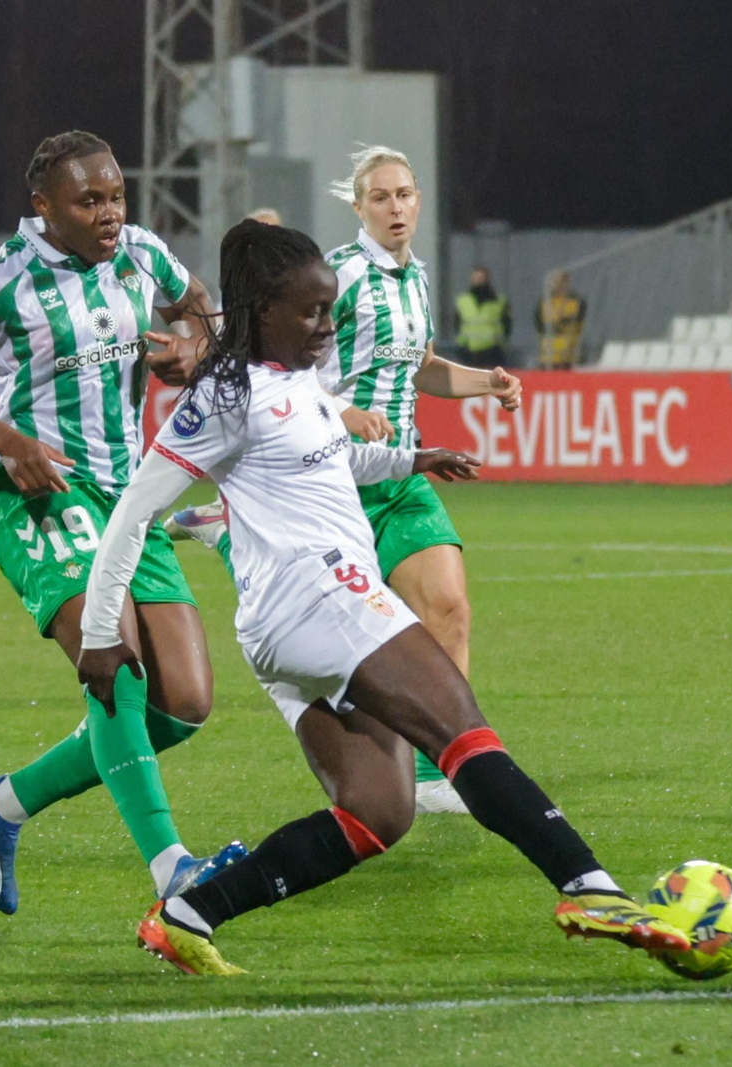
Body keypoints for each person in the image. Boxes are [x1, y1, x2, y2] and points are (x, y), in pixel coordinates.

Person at [75, 219, 690, 975]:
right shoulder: (227, 397)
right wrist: (100, 631)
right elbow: (132, 513)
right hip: (321, 597)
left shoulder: (296, 380)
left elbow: (332, 456)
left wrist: (410, 458)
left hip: (285, 625)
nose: (327, 326)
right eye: (311, 312)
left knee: (378, 811)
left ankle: (188, 914)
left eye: (330, 309)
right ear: (263, 309)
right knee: (461, 725)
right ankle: (588, 886)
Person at [0, 130, 244, 914]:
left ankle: (4, 802)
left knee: (185, 702)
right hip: (43, 493)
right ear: (44, 207)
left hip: (131, 496)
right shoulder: (1, 282)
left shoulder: (142, 254)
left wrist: (191, 346)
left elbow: (201, 309)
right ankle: (173, 869)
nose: (109, 212)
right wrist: (8, 441)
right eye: (89, 201)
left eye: (116, 196)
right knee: (113, 660)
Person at [168, 146, 521, 815]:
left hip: (402, 472)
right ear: (359, 208)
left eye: (404, 194)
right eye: (380, 197)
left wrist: (488, 383)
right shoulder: (342, 276)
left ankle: (436, 776)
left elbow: (421, 366)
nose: (395, 207)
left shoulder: (416, 280)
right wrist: (341, 411)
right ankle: (231, 533)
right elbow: (288, 370)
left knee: (449, 607)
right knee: (349, 643)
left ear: (419, 200)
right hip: (331, 476)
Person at [454, 265, 512, 367]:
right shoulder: (463, 301)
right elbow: (456, 323)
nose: (478, 281)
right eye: (476, 278)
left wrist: (500, 342)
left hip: (492, 352)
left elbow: (507, 324)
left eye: (481, 278)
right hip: (468, 351)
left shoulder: (499, 301)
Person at [535, 270, 586, 369]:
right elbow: (539, 325)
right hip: (547, 355)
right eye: (557, 282)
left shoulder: (576, 301)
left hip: (568, 355)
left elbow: (579, 323)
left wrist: (563, 322)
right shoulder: (545, 302)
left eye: (563, 281)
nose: (560, 285)